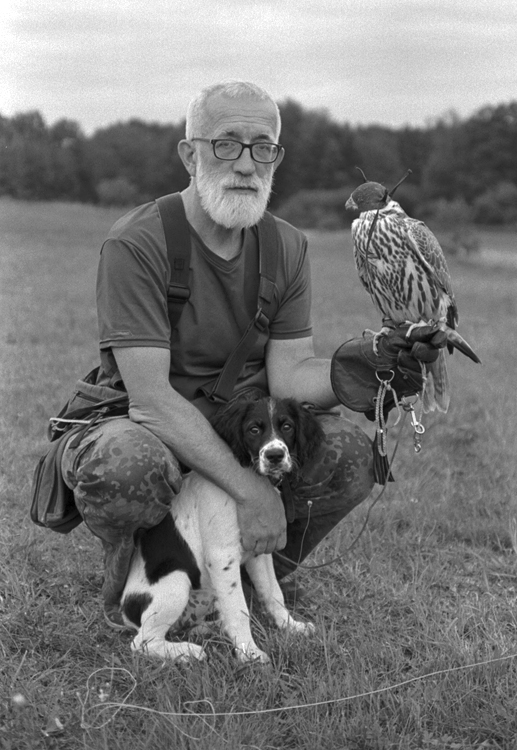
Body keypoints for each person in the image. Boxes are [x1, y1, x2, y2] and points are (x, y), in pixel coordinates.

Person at [60, 81, 444, 628]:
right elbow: (150, 401)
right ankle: (137, 583)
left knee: (348, 453)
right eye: (226, 144)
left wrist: (369, 363)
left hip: (249, 429)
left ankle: (248, 577)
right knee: (126, 466)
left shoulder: (286, 245)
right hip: (155, 427)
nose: (245, 164)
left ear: (276, 159)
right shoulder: (137, 243)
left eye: (262, 147)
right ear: (189, 155)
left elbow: (289, 376)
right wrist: (250, 493)